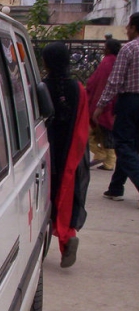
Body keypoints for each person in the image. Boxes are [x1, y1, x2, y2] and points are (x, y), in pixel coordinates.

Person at [42, 41, 90, 268]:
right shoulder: (78, 89)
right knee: (67, 194)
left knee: (43, 195)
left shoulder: (41, 87)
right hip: (69, 150)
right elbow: (82, 124)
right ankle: (67, 236)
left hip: (46, 150)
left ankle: (39, 243)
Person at [94, 13, 139, 203]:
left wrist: (100, 105)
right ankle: (116, 187)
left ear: (134, 27)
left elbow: (115, 81)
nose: (126, 30)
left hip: (130, 101)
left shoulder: (129, 49)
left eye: (128, 26)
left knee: (122, 144)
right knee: (132, 145)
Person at [85, 39, 121, 170]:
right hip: (112, 104)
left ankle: (104, 156)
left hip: (101, 104)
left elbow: (95, 81)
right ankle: (107, 159)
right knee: (103, 133)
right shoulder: (116, 62)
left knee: (93, 133)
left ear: (109, 49)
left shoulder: (106, 62)